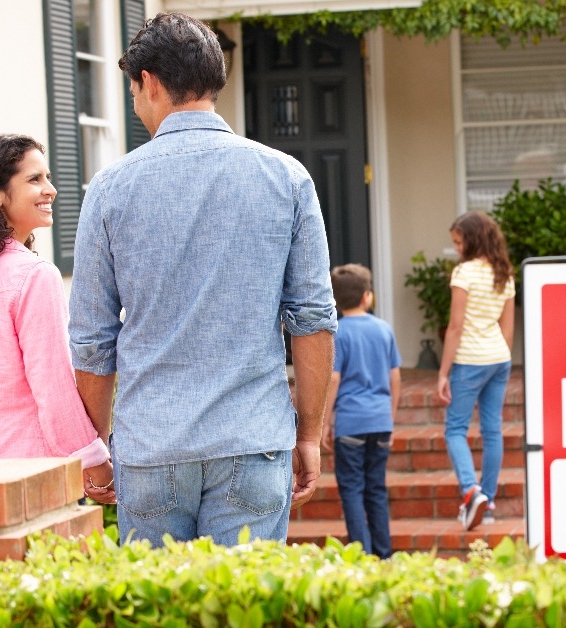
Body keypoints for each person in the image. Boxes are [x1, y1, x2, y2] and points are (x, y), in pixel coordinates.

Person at [68, 12, 336, 547]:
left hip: (151, 446)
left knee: (153, 608)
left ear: (148, 82)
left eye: (134, 91)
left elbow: (93, 341)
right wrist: (309, 433)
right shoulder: (286, 176)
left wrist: (96, 446)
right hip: (253, 437)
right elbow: (313, 321)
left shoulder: (109, 189)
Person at [0, 134, 114, 504]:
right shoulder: (33, 276)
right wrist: (93, 460)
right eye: (34, 179)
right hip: (34, 472)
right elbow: (54, 388)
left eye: (47, 178)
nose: (50, 190)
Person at [436, 211, 516, 530]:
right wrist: (500, 357)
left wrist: (443, 373)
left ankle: (471, 491)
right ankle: (490, 500)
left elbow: (455, 327)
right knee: (492, 430)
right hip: (499, 358)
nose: (456, 248)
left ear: (472, 239)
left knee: (455, 429)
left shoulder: (464, 273)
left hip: (469, 360)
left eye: (458, 241)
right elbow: (507, 329)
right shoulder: (504, 273)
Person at [321, 264, 401, 558]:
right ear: (367, 296)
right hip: (380, 420)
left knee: (352, 489)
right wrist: (390, 418)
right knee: (376, 489)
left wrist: (325, 422)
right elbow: (395, 377)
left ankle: (361, 555)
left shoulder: (338, 333)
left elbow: (334, 379)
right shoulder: (384, 329)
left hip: (351, 424)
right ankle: (384, 554)